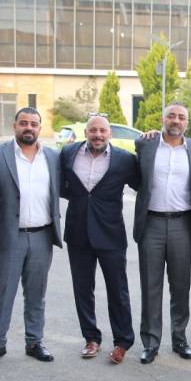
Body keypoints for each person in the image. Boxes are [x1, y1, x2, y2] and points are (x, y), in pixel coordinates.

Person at [0, 107, 63, 366]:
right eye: (24, 123)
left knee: (36, 293)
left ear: (40, 128)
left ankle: (34, 341)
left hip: (42, 236)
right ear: (14, 125)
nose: (29, 128)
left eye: (34, 124)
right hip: (8, 237)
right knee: (2, 293)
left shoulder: (52, 156)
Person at [60, 115, 140, 364]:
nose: (97, 135)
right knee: (83, 289)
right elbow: (62, 185)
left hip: (110, 234)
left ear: (110, 134)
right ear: (85, 132)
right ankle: (91, 338)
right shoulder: (68, 153)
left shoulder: (125, 160)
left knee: (118, 290)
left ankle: (122, 342)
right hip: (78, 232)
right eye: (93, 130)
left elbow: (143, 185)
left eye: (102, 131)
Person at [133, 103, 191, 364]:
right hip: (151, 223)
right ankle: (151, 342)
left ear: (187, 122)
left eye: (181, 117)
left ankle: (179, 338)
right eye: (171, 116)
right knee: (150, 286)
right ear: (163, 119)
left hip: (183, 225)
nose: (176, 120)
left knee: (181, 286)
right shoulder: (145, 144)